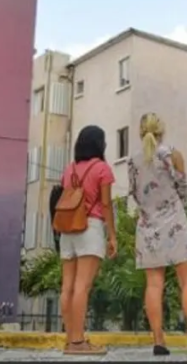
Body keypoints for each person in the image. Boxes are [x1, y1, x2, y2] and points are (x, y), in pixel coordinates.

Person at [128, 113, 187, 356]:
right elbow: (183, 189)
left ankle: (158, 340)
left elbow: (135, 194)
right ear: (162, 131)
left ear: (140, 132)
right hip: (175, 223)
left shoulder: (133, 161)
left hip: (147, 227)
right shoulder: (173, 155)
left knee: (154, 284)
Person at [55, 125, 117, 356]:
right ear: (99, 144)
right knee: (83, 286)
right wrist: (112, 235)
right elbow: (107, 205)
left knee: (68, 287)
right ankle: (79, 342)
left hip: (67, 229)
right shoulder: (102, 169)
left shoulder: (69, 169)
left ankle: (70, 340)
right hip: (90, 227)